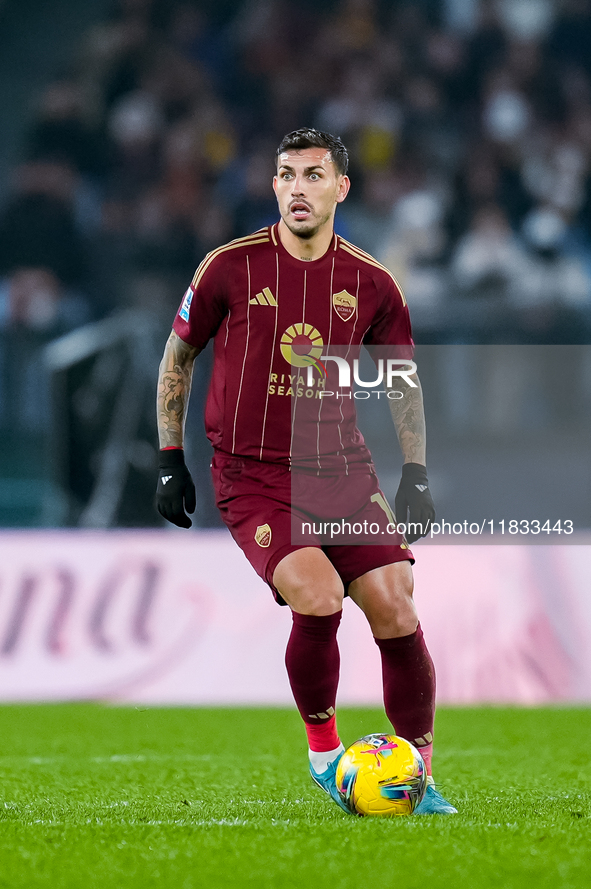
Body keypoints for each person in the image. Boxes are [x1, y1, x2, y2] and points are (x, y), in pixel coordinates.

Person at [155, 128, 456, 816]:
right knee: (316, 594)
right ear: (272, 187)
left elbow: (403, 381)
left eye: (313, 175)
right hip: (252, 471)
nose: (297, 187)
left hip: (342, 469)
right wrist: (170, 459)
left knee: (395, 604)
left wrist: (414, 473)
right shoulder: (227, 267)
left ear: (340, 189)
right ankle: (325, 754)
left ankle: (418, 774)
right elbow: (177, 359)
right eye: (286, 174)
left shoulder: (372, 282)